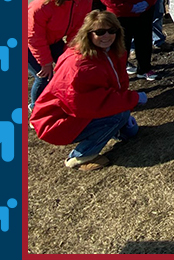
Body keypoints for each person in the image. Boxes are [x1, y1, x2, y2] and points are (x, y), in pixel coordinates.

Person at [29, 10, 148, 172]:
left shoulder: (112, 52)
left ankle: (114, 129)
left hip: (75, 115)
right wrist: (132, 99)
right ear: (88, 33)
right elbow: (87, 103)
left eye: (112, 30)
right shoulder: (79, 64)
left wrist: (126, 106)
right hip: (56, 122)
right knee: (118, 116)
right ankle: (80, 157)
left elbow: (117, 85)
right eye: (100, 32)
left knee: (128, 125)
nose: (107, 36)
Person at [26, 0, 92, 111]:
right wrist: (45, 62)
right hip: (28, 44)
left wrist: (71, 53)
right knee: (44, 76)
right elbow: (34, 37)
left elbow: (78, 29)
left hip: (54, 40)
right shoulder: (41, 6)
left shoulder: (85, 1)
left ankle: (69, 99)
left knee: (71, 68)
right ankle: (36, 108)